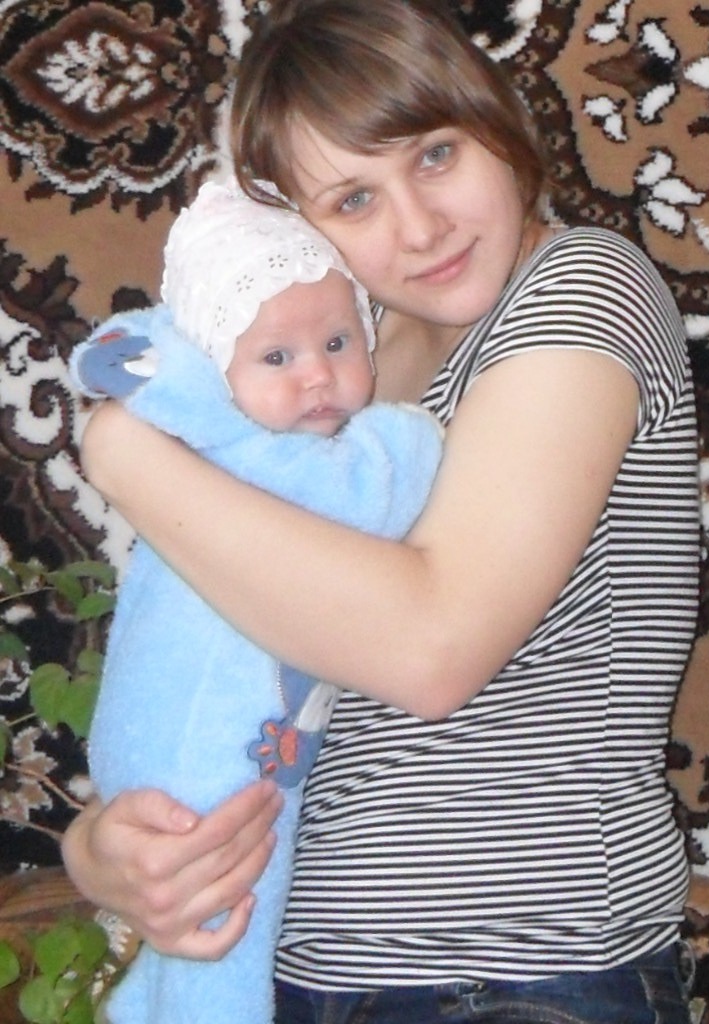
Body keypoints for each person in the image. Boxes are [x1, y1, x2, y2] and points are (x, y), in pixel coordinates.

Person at [63, 1, 702, 1021]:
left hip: (518, 972)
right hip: (288, 973)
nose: (419, 226)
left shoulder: (583, 286)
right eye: (353, 198)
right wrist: (102, 849)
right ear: (292, 228)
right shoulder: (329, 375)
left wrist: (122, 452)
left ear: (500, 125)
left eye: (436, 154)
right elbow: (207, 659)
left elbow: (432, 647)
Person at [68, 177, 443, 1024]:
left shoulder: (184, 455)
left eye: (338, 343)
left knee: (193, 946)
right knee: (223, 943)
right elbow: (368, 492)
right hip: (224, 778)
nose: (317, 376)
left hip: (175, 763)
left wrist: (120, 439)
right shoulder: (260, 457)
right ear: (214, 373)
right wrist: (406, 437)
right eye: (276, 359)